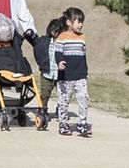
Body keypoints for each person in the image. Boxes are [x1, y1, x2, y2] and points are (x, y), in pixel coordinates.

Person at [54, 8, 91, 137]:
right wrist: (59, 62)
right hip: (65, 77)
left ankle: (82, 123)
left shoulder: (82, 38)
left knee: (83, 98)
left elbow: (83, 55)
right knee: (63, 101)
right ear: (69, 22)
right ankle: (63, 123)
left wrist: (85, 71)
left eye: (82, 22)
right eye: (78, 21)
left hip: (80, 76)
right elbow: (57, 53)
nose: (81, 25)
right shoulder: (61, 37)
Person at [32, 18, 63, 128]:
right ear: (53, 32)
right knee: (44, 94)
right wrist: (41, 64)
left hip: (60, 74)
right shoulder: (44, 42)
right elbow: (37, 50)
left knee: (63, 94)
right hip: (47, 73)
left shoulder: (63, 44)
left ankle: (61, 110)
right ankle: (42, 110)